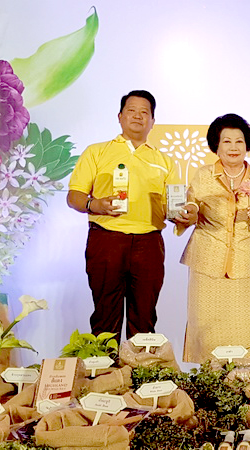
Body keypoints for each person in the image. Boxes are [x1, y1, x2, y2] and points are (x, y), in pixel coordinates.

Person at [67, 90, 197, 340]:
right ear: (120, 116)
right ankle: (104, 375)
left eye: (144, 112)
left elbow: (174, 207)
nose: (138, 116)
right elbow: (74, 197)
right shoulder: (97, 152)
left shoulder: (165, 161)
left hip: (148, 243)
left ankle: (141, 374)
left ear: (152, 121)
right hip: (107, 239)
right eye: (131, 110)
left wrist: (184, 215)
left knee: (145, 316)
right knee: (105, 315)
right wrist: (96, 204)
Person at [179, 113, 250, 362]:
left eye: (239, 141)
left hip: (247, 265)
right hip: (207, 263)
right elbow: (189, 209)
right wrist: (187, 212)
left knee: (247, 330)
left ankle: (247, 389)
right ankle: (211, 386)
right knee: (207, 328)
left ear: (247, 145)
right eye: (226, 141)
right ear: (216, 145)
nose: (233, 147)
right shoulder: (203, 176)